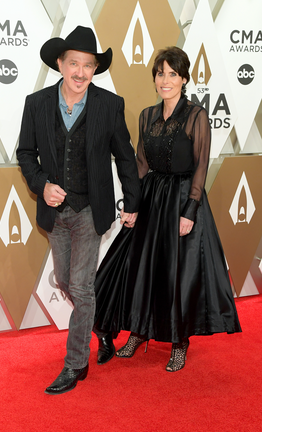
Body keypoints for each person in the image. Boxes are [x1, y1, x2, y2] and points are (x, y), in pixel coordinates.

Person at [93, 46, 242, 372]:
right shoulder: (146, 115)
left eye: (172, 73)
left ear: (184, 78)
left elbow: (201, 165)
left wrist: (190, 209)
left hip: (181, 201)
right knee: (141, 270)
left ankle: (179, 341)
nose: (165, 80)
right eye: (160, 73)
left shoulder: (196, 116)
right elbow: (141, 164)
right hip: (151, 199)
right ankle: (138, 331)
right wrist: (132, 204)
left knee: (177, 275)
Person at [16, 26, 141, 395]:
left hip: (91, 209)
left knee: (82, 286)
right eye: (74, 63)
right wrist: (42, 184)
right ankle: (101, 329)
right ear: (60, 63)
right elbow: (25, 153)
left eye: (88, 65)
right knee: (69, 281)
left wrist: (132, 201)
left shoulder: (109, 105)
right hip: (56, 214)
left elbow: (124, 156)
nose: (81, 72)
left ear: (94, 69)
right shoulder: (36, 103)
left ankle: (75, 364)